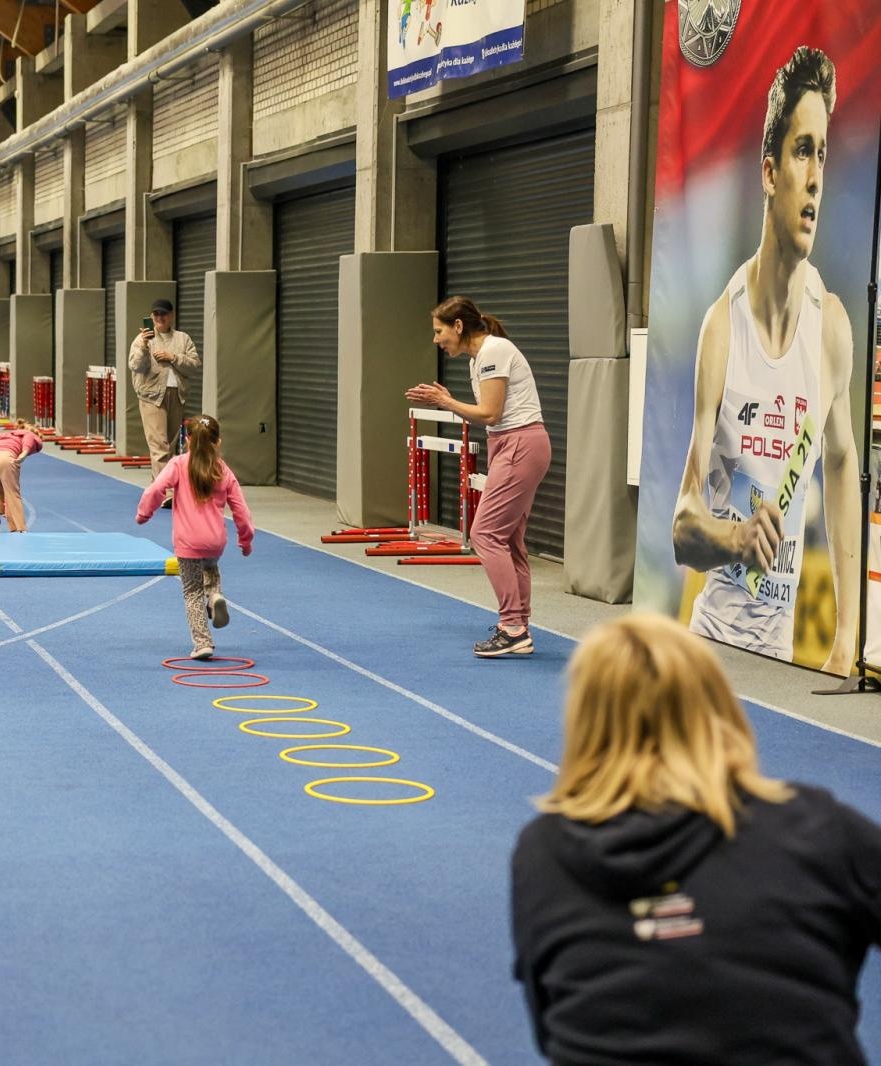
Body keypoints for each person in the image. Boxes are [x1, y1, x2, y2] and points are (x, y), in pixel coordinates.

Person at [510, 613, 881, 1065]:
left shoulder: (543, 852)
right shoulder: (816, 828)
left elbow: (550, 1026)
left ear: (585, 723)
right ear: (717, 710)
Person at [671, 46, 857, 674]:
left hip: (784, 663)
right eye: (803, 151)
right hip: (711, 645)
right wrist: (736, 539)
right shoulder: (723, 328)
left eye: (824, 154)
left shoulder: (830, 324)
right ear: (770, 172)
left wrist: (848, 638)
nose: (816, 178)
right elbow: (682, 524)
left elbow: (840, 460)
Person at [406, 296, 550, 658]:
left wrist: (447, 403)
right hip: (509, 444)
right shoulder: (480, 359)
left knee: (484, 534)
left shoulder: (493, 351)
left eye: (439, 331)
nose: (436, 340)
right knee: (510, 540)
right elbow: (491, 416)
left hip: (520, 444)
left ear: (458, 326)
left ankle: (512, 627)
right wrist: (450, 400)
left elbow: (489, 412)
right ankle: (519, 626)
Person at [135, 415, 254, 660]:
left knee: (191, 591)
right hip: (214, 541)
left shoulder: (179, 464)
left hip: (188, 541)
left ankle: (202, 642)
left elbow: (156, 489)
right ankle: (214, 596)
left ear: (188, 440)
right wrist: (246, 539)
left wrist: (144, 513)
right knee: (210, 572)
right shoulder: (223, 470)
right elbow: (241, 509)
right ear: (218, 442)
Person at [128, 297, 201, 504]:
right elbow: (136, 366)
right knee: (159, 445)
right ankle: (168, 492)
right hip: (152, 397)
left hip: (176, 396)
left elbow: (194, 365)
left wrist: (173, 357)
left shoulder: (183, 339)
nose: (160, 318)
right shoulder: (142, 339)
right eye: (156, 315)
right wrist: (143, 345)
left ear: (171, 316)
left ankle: (157, 487)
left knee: (169, 446)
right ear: (151, 317)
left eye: (164, 314)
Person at [0, 418, 43, 533]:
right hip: (6, 458)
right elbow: (29, 439)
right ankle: (19, 528)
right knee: (12, 493)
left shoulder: (7, 434)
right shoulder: (31, 435)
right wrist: (24, 453)